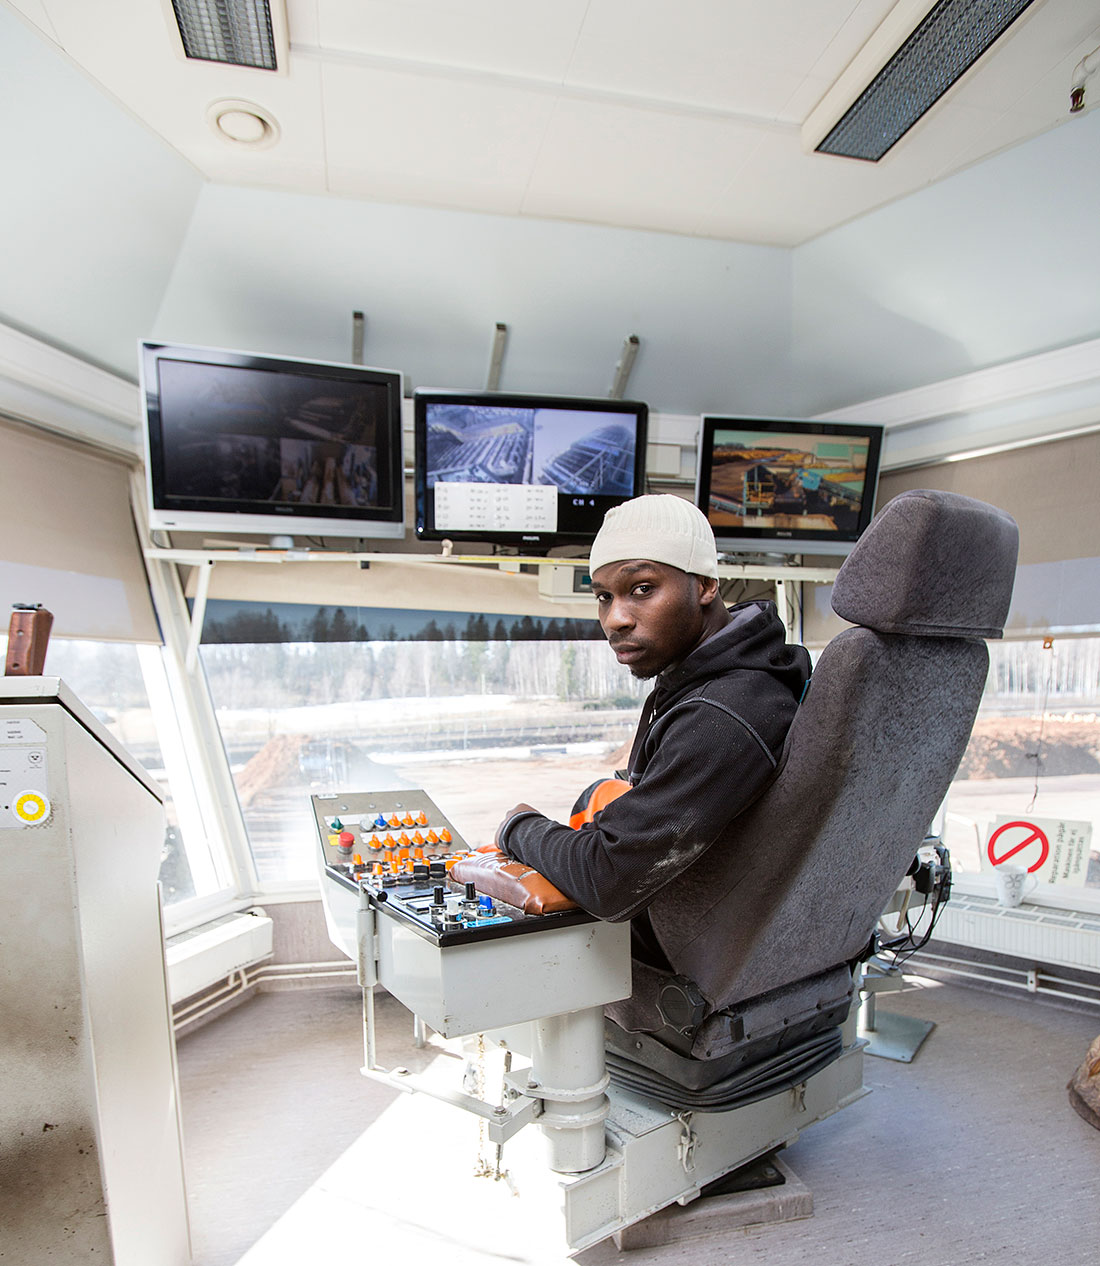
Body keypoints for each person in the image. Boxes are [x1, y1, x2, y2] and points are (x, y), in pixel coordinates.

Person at [494, 493, 811, 968]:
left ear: (705, 585)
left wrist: (519, 827)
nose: (615, 619)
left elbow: (607, 879)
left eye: (642, 588)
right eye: (604, 596)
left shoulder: (721, 715)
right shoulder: (713, 678)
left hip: (684, 953)